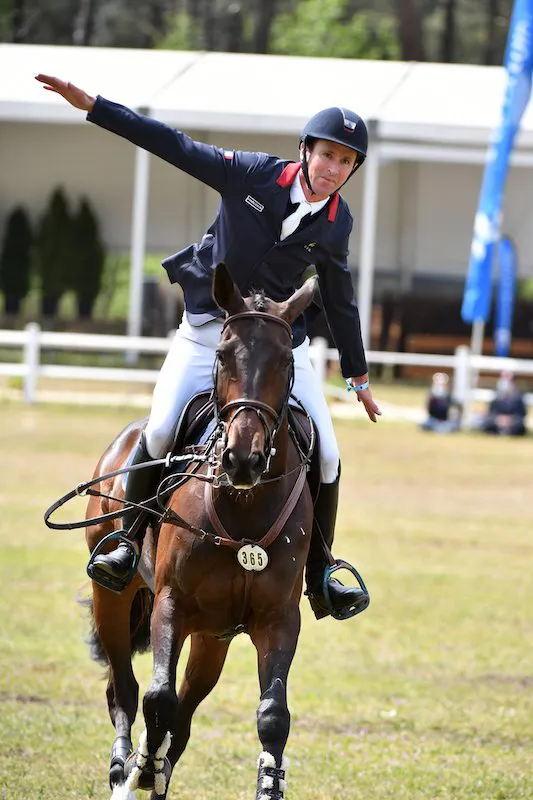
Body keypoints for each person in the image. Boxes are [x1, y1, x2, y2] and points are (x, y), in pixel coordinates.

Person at [35, 74, 382, 620]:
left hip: (277, 347)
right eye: (327, 155)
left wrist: (357, 377)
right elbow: (173, 144)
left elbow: (340, 299)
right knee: (159, 428)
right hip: (207, 335)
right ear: (305, 152)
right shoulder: (249, 173)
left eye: (345, 162)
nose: (332, 169)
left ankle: (321, 571)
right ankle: (127, 543)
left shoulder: (338, 223)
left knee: (330, 454)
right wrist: (95, 107)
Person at [479, 370, 527, 436]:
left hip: (513, 424)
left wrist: (510, 420)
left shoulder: (518, 398)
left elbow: (522, 414)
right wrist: (499, 419)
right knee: (488, 423)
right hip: (498, 422)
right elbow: (491, 412)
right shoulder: (497, 397)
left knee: (519, 425)